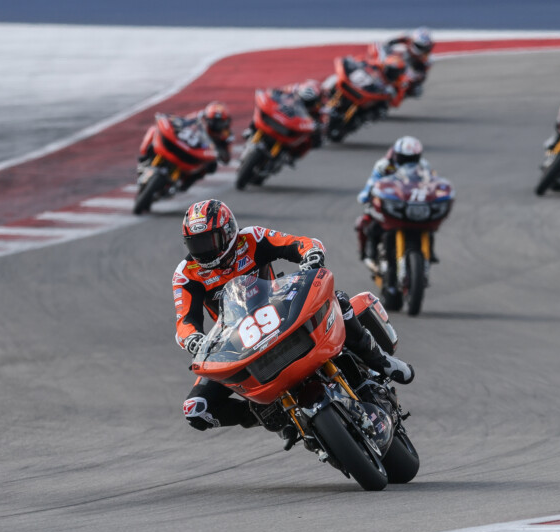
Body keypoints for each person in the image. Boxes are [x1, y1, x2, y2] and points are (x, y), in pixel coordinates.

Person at [175, 199, 415, 432]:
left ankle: (380, 361)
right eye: (196, 244)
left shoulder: (251, 238)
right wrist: (193, 338)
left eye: (208, 241)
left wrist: (311, 254)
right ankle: (268, 414)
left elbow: (299, 243)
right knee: (196, 409)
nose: (203, 252)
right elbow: (185, 321)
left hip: (280, 309)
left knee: (338, 299)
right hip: (239, 339)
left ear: (228, 233)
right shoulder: (186, 274)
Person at [355, 136, 435, 272]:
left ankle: (429, 253)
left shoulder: (423, 166)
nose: (408, 161)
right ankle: (370, 254)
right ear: (396, 155)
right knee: (369, 222)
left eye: (412, 158)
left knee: (428, 224)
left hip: (410, 204)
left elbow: (430, 184)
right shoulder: (384, 165)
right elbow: (372, 181)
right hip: (389, 204)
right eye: (405, 158)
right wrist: (366, 194)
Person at [138, 101, 233, 188]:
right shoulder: (197, 118)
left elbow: (227, 156)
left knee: (211, 166)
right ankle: (145, 157)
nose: (215, 125)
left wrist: (219, 152)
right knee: (154, 130)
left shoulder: (225, 134)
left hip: (199, 153)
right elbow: (182, 121)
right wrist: (172, 121)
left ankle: (185, 182)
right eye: (213, 121)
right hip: (186, 142)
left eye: (219, 123)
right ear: (207, 118)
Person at [380, 27, 433, 96]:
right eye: (419, 46)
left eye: (423, 48)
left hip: (406, 72)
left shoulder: (426, 58)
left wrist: (412, 78)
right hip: (394, 59)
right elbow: (388, 43)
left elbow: (421, 75)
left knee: (415, 89)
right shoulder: (406, 38)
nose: (421, 50)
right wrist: (387, 50)